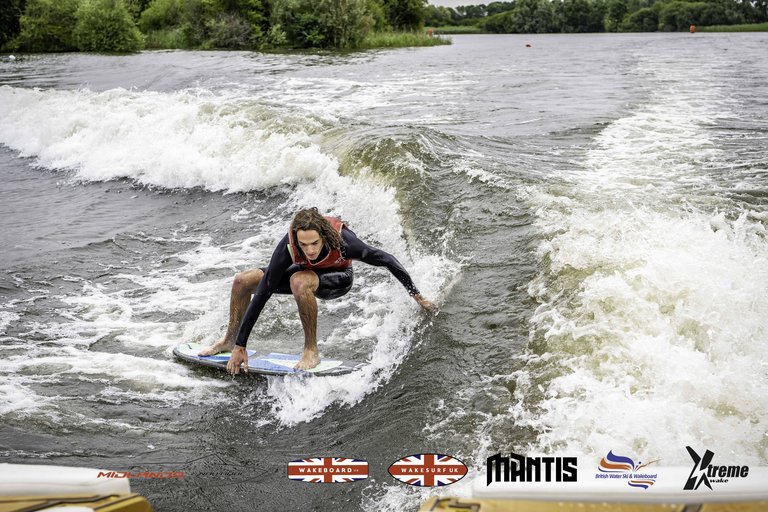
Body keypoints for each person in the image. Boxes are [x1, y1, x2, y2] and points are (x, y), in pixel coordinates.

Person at [200, 208, 436, 374]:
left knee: (299, 281)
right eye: (304, 245)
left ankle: (311, 350)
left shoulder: (343, 242)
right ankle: (230, 341)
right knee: (243, 281)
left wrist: (416, 295)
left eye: (314, 243)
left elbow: (386, 259)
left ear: (323, 236)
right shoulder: (289, 246)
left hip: (338, 280)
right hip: (304, 275)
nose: (309, 250)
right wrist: (242, 344)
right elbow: (264, 290)